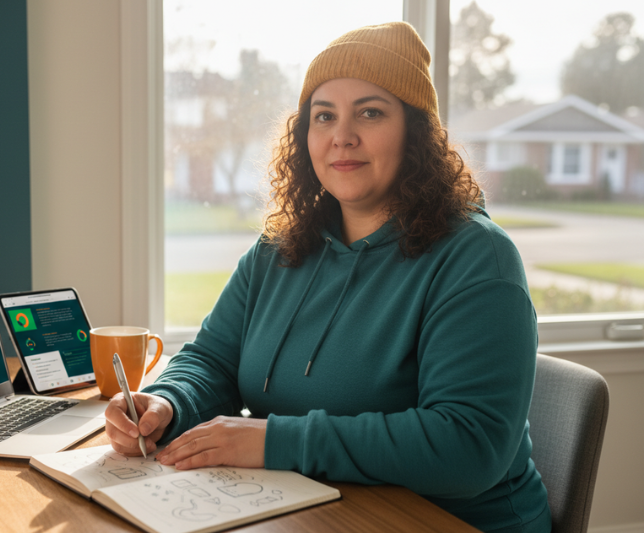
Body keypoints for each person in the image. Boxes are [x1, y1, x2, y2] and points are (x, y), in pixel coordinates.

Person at [105, 22, 551, 533]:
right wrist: (167, 401)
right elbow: (212, 359)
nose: (342, 135)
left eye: (370, 111)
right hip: (312, 509)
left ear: (416, 132)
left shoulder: (477, 258)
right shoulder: (279, 248)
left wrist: (274, 441)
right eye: (324, 116)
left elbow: (468, 446)